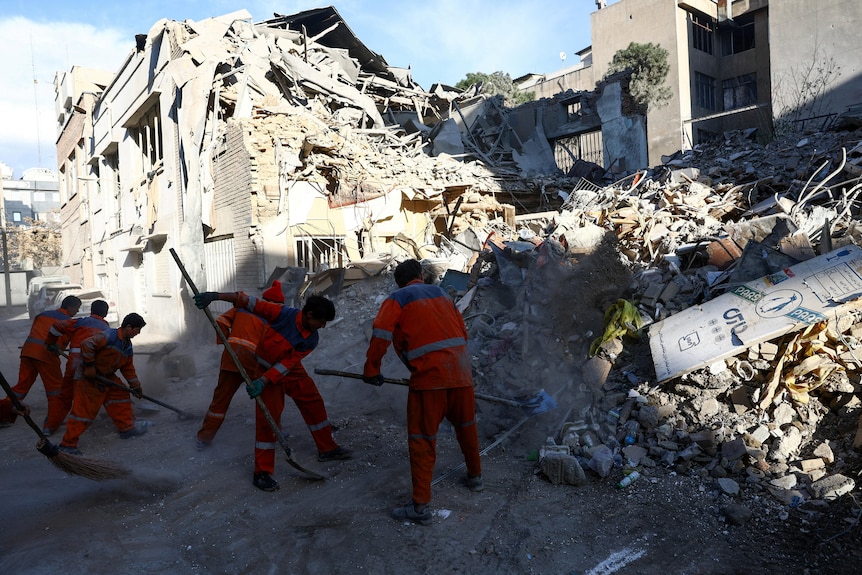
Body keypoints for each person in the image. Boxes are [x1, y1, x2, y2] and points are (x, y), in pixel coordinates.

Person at [363, 259, 482, 526]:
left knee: (422, 441)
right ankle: (475, 478)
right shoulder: (442, 293)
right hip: (461, 373)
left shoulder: (397, 299)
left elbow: (381, 333)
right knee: (467, 427)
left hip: (429, 379)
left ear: (400, 281)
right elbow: (462, 332)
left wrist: (371, 370)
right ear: (421, 275)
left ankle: (420, 507)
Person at [194, 290, 351, 492]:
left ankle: (328, 448)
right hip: (263, 366)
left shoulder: (311, 339)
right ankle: (262, 472)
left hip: (285, 367)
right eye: (321, 321)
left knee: (312, 399)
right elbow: (245, 299)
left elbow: (287, 364)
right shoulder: (281, 313)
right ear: (309, 315)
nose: (323, 326)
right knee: (269, 418)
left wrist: (264, 381)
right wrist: (214, 296)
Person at [195, 281, 284, 449]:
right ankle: (275, 430)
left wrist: (227, 342)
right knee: (269, 397)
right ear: (278, 304)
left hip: (231, 358)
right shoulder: (273, 318)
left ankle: (203, 438)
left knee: (219, 402)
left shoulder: (242, 308)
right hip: (253, 363)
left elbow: (220, 322)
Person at [58, 313, 149, 455]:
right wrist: (89, 366)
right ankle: (67, 444)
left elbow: (128, 368)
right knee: (84, 411)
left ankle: (126, 428)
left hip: (106, 376)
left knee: (121, 395)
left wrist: (136, 386)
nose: (138, 333)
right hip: (89, 377)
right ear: (129, 327)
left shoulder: (127, 346)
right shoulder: (110, 336)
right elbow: (87, 344)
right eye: (138, 329)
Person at [0, 295, 81, 430]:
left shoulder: (43, 315)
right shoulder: (68, 322)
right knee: (55, 390)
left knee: (21, 387)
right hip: (46, 356)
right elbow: (63, 343)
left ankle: (2, 413)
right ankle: (53, 421)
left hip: (28, 352)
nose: (77, 312)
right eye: (77, 309)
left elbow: (37, 333)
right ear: (71, 307)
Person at [42, 299, 111, 436]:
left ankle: (49, 428)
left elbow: (55, 327)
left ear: (91, 310)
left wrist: (50, 342)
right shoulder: (106, 329)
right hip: (89, 365)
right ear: (106, 313)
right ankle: (73, 434)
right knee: (85, 397)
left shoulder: (79, 322)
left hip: (73, 362)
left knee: (64, 397)